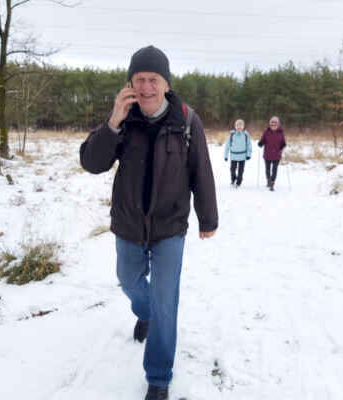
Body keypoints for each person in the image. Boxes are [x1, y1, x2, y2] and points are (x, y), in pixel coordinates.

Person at [79, 45, 218, 400]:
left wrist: (208, 217)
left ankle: (158, 377)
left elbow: (200, 169)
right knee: (128, 280)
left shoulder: (187, 120)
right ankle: (145, 312)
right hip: (128, 223)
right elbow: (92, 163)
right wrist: (112, 122)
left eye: (152, 79)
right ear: (129, 83)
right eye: (138, 79)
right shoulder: (122, 119)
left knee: (165, 299)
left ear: (166, 83)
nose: (145, 87)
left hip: (170, 226)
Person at [258, 116, 286, 191]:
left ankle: (272, 182)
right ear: (270, 125)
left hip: (277, 155)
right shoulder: (266, 132)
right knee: (267, 169)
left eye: (275, 124)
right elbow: (262, 140)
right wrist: (260, 143)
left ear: (278, 125)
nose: (273, 126)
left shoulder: (281, 133)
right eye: (272, 124)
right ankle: (268, 180)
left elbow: (283, 142)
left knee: (274, 169)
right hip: (267, 154)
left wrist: (283, 145)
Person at [223, 119, 252, 188]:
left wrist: (248, 154)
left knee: (240, 171)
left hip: (242, 156)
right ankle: (233, 180)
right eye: (237, 126)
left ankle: (238, 182)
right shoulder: (232, 135)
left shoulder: (245, 135)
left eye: (241, 126)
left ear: (243, 127)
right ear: (235, 126)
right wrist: (225, 155)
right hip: (234, 156)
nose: (239, 127)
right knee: (232, 170)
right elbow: (227, 145)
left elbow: (249, 145)